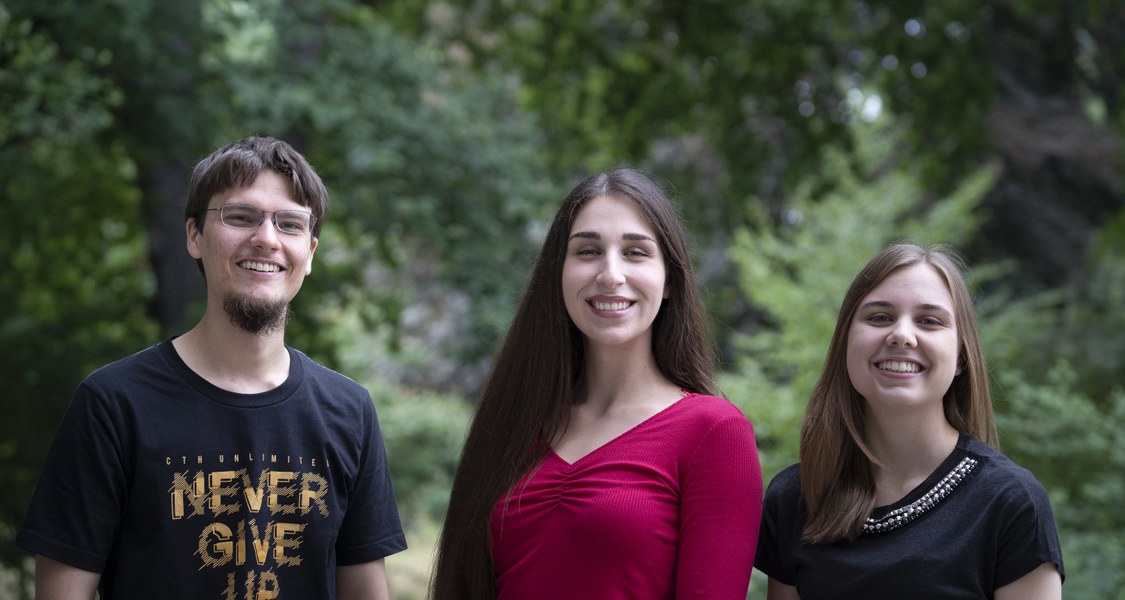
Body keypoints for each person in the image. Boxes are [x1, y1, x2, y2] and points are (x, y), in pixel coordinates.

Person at [16, 136, 407, 599]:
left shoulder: (350, 410)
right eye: (240, 217)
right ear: (194, 236)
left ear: (311, 251)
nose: (266, 238)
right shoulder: (113, 404)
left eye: (290, 223)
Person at [430, 168, 763, 600]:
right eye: (587, 251)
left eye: (636, 253)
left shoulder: (713, 432)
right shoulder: (515, 421)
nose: (610, 273)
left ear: (670, 283)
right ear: (559, 273)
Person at [755, 242, 1064, 599]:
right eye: (880, 317)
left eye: (929, 321)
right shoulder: (795, 498)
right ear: (844, 343)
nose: (902, 334)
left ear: (962, 356)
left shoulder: (1011, 504)